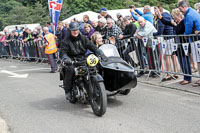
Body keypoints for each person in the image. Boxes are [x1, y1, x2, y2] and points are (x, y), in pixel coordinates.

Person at [60, 22, 108, 100]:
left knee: (95, 66)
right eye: (73, 30)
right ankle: (68, 90)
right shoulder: (65, 41)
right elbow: (63, 52)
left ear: (79, 30)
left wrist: (100, 53)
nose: (75, 31)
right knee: (70, 70)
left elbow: (92, 46)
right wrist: (66, 58)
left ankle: (97, 86)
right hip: (72, 60)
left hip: (83, 58)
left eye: (76, 30)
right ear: (70, 31)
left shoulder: (83, 38)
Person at [178, 0, 200, 86]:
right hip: (196, 39)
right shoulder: (193, 12)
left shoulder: (189, 15)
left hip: (196, 40)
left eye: (181, 9)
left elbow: (188, 29)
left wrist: (185, 35)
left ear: (185, 6)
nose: (180, 11)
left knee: (198, 61)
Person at [153, 6, 179, 81]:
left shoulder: (161, 19)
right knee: (173, 55)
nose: (154, 13)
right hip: (173, 37)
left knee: (166, 56)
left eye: (155, 11)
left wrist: (153, 34)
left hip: (168, 38)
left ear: (158, 11)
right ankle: (175, 72)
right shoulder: (168, 15)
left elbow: (160, 31)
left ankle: (168, 74)